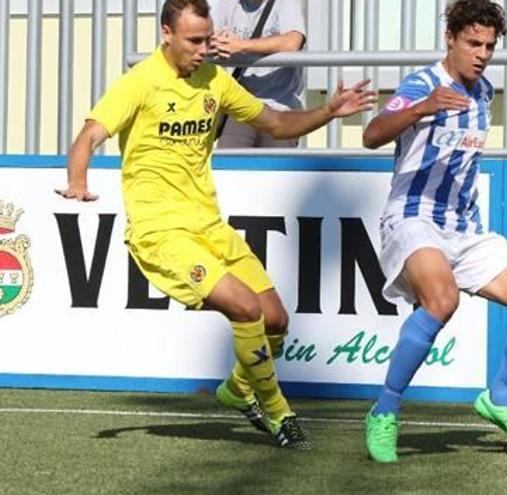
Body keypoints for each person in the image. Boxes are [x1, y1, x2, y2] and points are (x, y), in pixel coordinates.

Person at [55, 0, 374, 449]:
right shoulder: (140, 83)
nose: (204, 49)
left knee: (276, 321)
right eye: (194, 41)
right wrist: (77, 180)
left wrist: (329, 111)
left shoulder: (214, 80)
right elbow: (90, 134)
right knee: (245, 309)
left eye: (207, 40)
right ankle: (280, 415)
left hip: (209, 226)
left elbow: (276, 122)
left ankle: (238, 390)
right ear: (166, 33)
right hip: (161, 233)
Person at [361, 0, 507, 463]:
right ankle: (384, 411)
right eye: (473, 43)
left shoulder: (484, 92)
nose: (482, 53)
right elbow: (372, 135)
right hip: (412, 218)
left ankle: (502, 398)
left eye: (490, 45)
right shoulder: (423, 84)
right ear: (449, 38)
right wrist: (421, 109)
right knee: (442, 300)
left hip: (464, 229)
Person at [210, 0, 308, 148]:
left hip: (280, 107)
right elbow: (200, 35)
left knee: (276, 169)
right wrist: (212, 43)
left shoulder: (286, 4)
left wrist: (240, 46)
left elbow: (292, 42)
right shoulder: (225, 4)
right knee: (229, 164)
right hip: (240, 106)